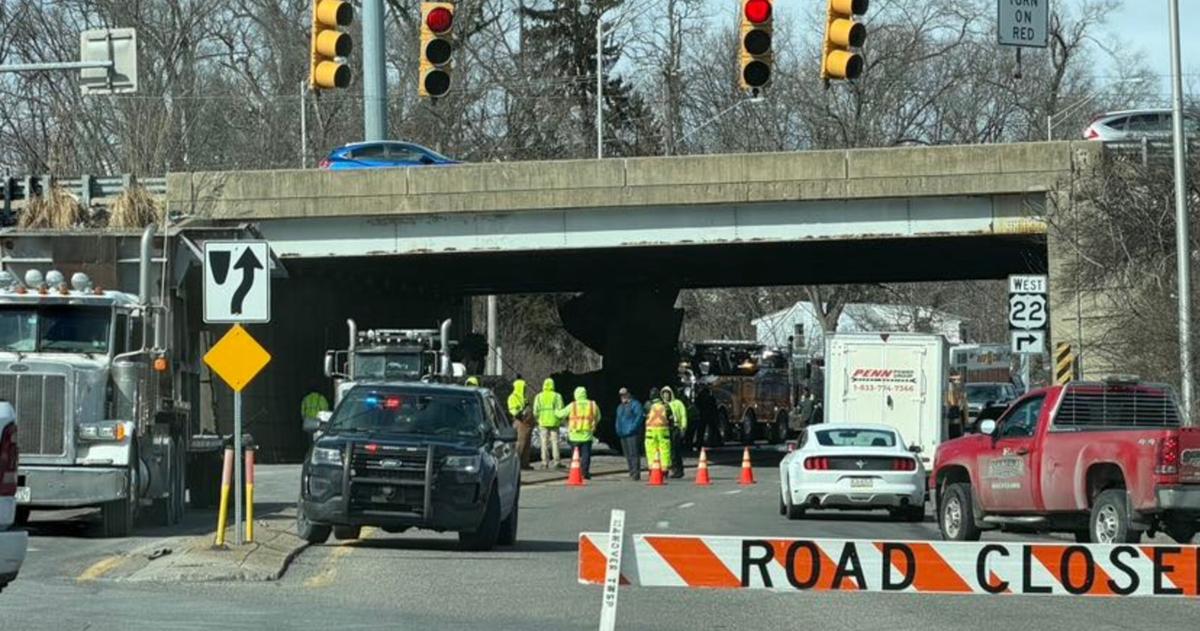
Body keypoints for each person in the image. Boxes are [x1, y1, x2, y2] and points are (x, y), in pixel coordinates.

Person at [557, 386, 600, 479]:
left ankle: (575, 472)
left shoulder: (573, 405)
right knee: (586, 455)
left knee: (575, 456)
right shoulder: (592, 405)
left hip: (574, 436)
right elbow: (598, 417)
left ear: (575, 395)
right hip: (587, 435)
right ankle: (585, 472)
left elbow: (561, 414)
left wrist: (555, 411)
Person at [533, 378, 565, 469]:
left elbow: (535, 411)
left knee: (544, 443)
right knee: (555, 442)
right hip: (554, 422)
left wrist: (538, 419)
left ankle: (544, 462)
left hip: (543, 422)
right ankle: (557, 462)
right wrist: (560, 420)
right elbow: (560, 409)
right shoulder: (557, 396)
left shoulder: (539, 396)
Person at [614, 387, 645, 480]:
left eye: (624, 394)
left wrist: (632, 428)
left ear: (629, 394)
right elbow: (618, 419)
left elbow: (639, 417)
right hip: (623, 433)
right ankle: (631, 471)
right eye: (621, 395)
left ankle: (636, 473)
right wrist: (618, 429)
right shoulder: (620, 407)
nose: (622, 397)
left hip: (632, 433)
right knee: (627, 454)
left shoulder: (635, 404)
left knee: (633, 453)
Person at [507, 375, 535, 470]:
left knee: (527, 444)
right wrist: (520, 413)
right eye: (523, 387)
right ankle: (517, 464)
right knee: (521, 443)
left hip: (527, 422)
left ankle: (524, 464)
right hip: (520, 421)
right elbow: (512, 410)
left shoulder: (523, 397)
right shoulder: (513, 397)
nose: (525, 389)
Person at [644, 387, 674, 473]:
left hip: (651, 430)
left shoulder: (648, 405)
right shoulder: (665, 405)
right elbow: (671, 418)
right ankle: (664, 469)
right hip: (663, 430)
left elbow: (644, 415)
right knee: (664, 449)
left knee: (651, 449)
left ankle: (652, 468)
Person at [661, 387, 688, 478]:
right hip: (664, 430)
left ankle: (678, 470)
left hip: (675, 428)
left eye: (667, 393)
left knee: (675, 450)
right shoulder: (661, 405)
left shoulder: (677, 403)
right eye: (664, 394)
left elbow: (683, 415)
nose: (666, 396)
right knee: (666, 451)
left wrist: (683, 427)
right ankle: (667, 469)